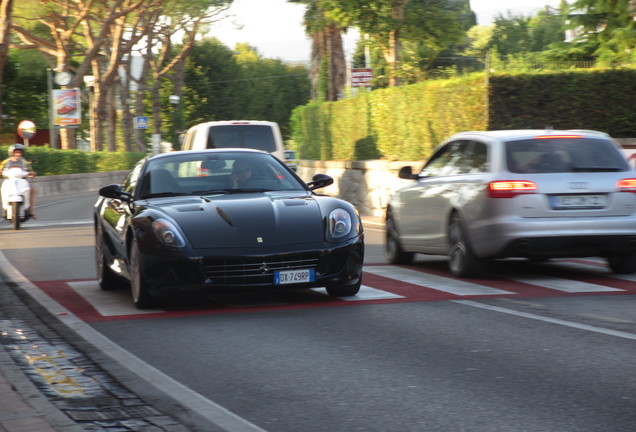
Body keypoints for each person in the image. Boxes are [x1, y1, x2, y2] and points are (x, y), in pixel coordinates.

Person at [0, 144, 37, 218]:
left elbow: (31, 171)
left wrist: (32, 173)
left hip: (22, 181)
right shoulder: (5, 162)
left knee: (32, 190)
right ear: (11, 153)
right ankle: (4, 208)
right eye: (16, 152)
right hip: (9, 180)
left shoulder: (25, 162)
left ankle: (31, 211)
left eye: (19, 152)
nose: (18, 154)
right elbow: (1, 169)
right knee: (3, 189)